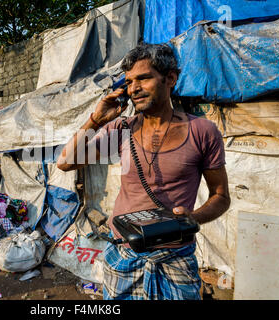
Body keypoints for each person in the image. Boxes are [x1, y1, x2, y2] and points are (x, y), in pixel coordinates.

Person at [57, 43, 230, 300]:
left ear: (170, 78)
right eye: (129, 82)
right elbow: (65, 162)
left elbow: (221, 196)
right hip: (125, 253)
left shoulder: (202, 132)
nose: (134, 88)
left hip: (176, 257)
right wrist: (95, 120)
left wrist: (194, 218)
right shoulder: (120, 129)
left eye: (144, 78)